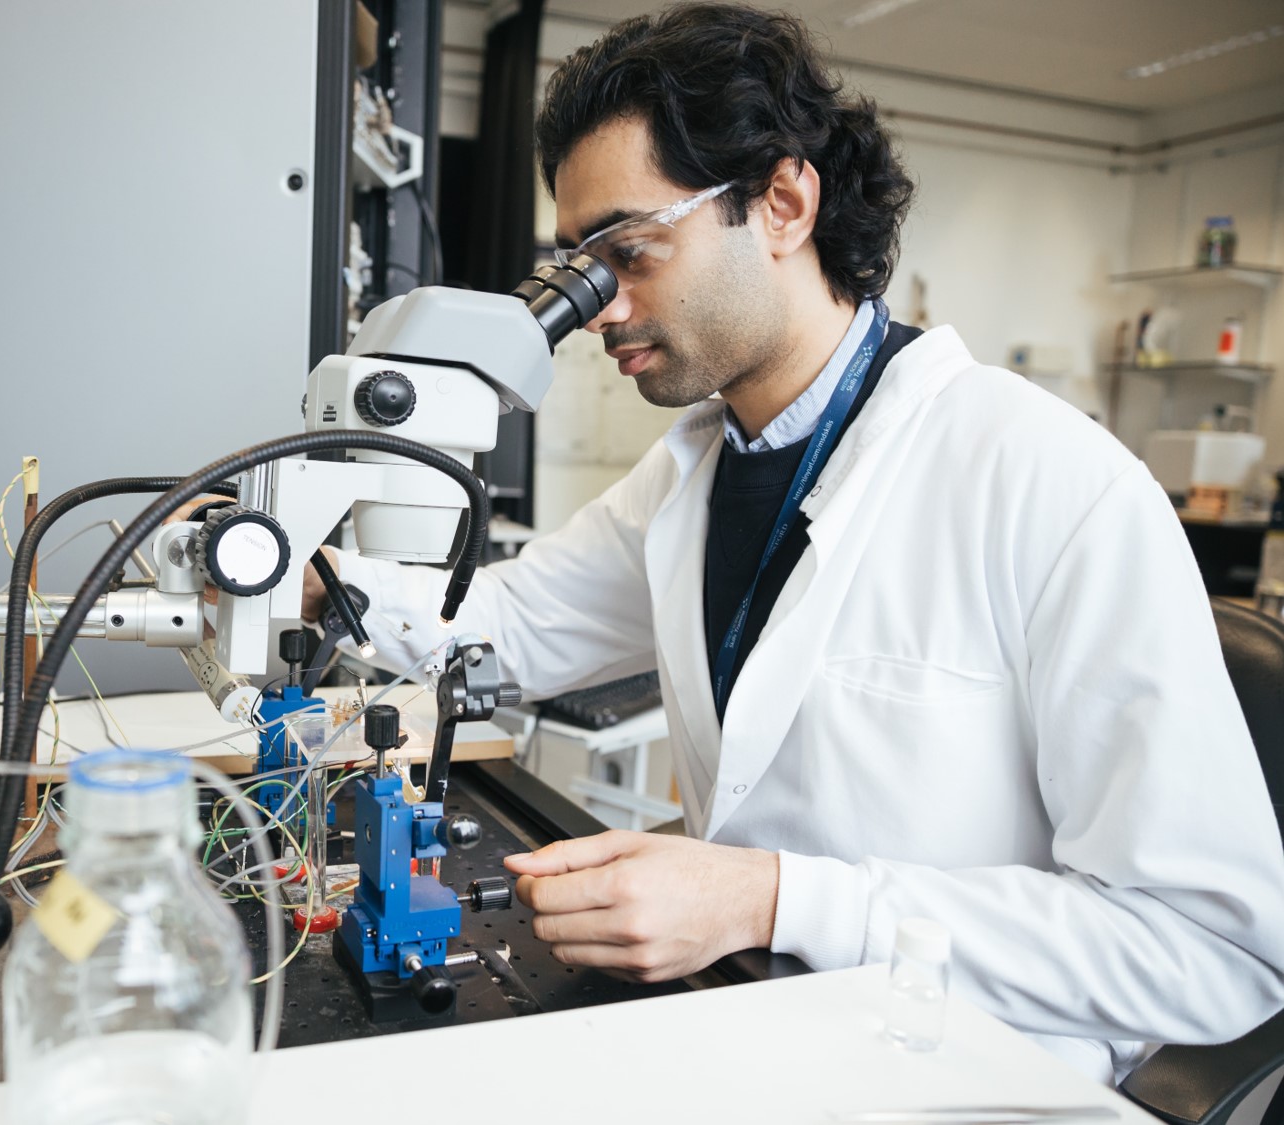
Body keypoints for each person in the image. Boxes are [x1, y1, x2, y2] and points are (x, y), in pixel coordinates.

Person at [287, 3, 1284, 1084]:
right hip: (750, 1030)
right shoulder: (690, 472)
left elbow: (1211, 944)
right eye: (578, 261)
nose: (600, 308)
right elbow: (503, 627)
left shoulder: (1048, 482)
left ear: (781, 200)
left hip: (964, 1078)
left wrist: (775, 895)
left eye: (629, 249)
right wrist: (300, 575)